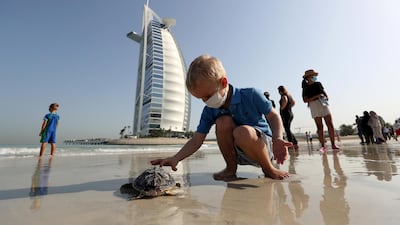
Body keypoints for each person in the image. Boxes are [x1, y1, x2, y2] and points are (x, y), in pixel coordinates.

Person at [151, 55, 292, 180]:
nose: (206, 101)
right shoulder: (209, 111)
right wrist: (176, 158)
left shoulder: (251, 94)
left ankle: (268, 168)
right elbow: (196, 140)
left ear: (223, 83)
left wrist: (278, 138)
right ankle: (231, 168)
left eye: (207, 96)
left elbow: (273, 116)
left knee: (242, 132)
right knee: (222, 121)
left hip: (264, 148)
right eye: (201, 99)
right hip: (239, 153)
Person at [301, 69, 339, 152]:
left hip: (323, 103)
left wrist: (325, 97)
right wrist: (317, 96)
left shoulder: (318, 84)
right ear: (308, 77)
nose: (315, 77)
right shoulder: (305, 88)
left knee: (330, 124)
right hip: (313, 105)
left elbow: (325, 94)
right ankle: (322, 146)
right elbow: (305, 100)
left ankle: (333, 144)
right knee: (320, 126)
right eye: (313, 76)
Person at [277, 85, 298, 150]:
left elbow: (285, 100)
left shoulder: (284, 96)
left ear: (280, 91)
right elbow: (293, 103)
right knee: (288, 129)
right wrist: (289, 108)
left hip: (285, 114)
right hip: (290, 113)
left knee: (287, 129)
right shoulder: (289, 95)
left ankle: (291, 144)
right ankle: (295, 143)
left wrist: (282, 108)